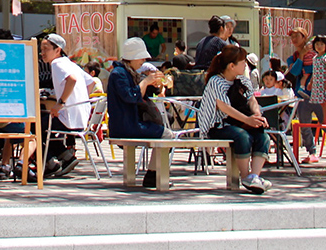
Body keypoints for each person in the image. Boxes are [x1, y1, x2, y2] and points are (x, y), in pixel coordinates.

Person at [196, 45, 271, 194]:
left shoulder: (243, 81)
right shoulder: (216, 81)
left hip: (240, 122)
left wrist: (256, 115)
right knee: (242, 136)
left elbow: (252, 100)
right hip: (217, 126)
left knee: (263, 136)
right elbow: (224, 107)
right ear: (232, 66)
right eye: (243, 62)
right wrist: (248, 120)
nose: (246, 65)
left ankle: (254, 176)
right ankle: (246, 177)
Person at [108, 37, 181, 188]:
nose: (144, 60)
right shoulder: (119, 74)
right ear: (133, 57)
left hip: (129, 123)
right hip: (127, 126)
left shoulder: (126, 72)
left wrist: (152, 84)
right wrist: (146, 82)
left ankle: (153, 174)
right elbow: (131, 96)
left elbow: (138, 95)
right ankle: (153, 175)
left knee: (167, 134)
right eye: (141, 57)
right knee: (167, 135)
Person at [41, 33, 91, 177]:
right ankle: (65, 155)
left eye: (46, 48)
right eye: (41, 49)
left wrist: (61, 103)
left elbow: (72, 80)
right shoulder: (70, 63)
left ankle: (52, 161)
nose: (42, 52)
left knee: (36, 126)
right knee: (45, 124)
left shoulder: (57, 63)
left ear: (57, 50)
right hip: (82, 117)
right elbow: (91, 82)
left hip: (69, 118)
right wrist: (77, 99)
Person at [296, 34, 326, 164]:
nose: (318, 46)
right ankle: (311, 152)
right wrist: (310, 83)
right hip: (312, 91)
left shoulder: (325, 57)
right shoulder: (314, 58)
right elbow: (296, 71)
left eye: (321, 44)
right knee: (305, 124)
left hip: (322, 92)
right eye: (317, 44)